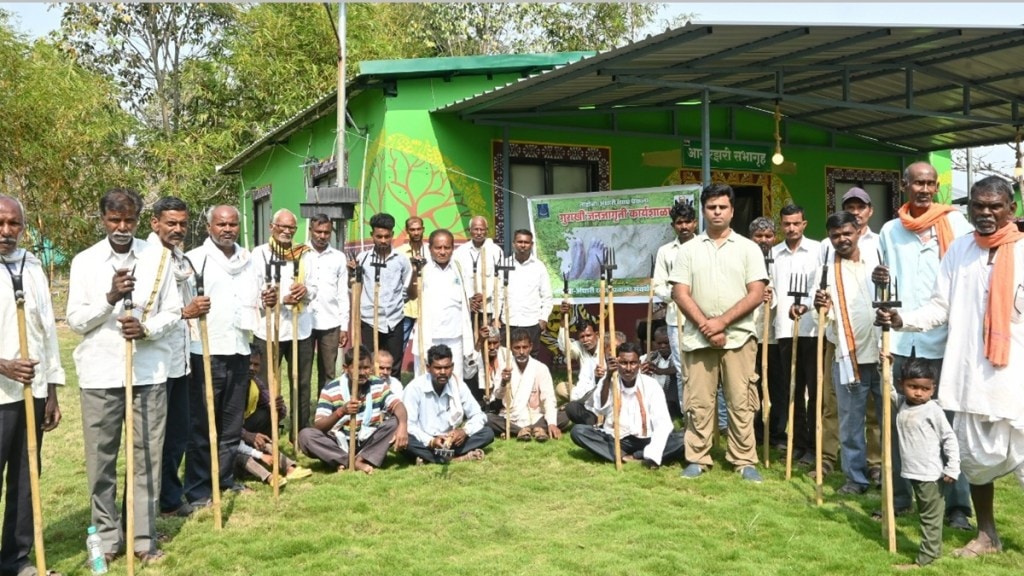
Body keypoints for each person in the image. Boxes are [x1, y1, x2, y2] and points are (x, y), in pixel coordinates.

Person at [878, 176, 1024, 559]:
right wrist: (901, 320)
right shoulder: (958, 250)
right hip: (970, 375)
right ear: (970, 207)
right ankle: (988, 535)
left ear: (1012, 209)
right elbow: (939, 307)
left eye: (995, 206)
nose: (986, 213)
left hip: (1016, 375)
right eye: (979, 206)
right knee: (975, 460)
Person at [67, 188, 182, 564]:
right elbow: (76, 320)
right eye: (114, 220)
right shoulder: (84, 262)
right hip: (99, 375)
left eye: (128, 220)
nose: (121, 227)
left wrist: (146, 329)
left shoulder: (158, 259)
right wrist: (110, 298)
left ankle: (143, 539)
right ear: (102, 219)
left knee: (146, 458)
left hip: (147, 373)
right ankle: (106, 538)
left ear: (138, 219)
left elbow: (173, 312)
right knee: (101, 462)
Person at [875, 161, 975, 529]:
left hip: (943, 342)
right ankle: (899, 497)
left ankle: (957, 507)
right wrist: (877, 279)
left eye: (931, 183)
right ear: (904, 186)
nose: (925, 189)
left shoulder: (957, 226)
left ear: (937, 188)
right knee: (898, 422)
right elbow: (881, 285)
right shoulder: (889, 230)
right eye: (918, 182)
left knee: (948, 427)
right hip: (901, 340)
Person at [671, 183, 767, 482]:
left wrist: (721, 323)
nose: (717, 212)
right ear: (704, 211)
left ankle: (743, 459)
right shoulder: (688, 250)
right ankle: (698, 456)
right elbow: (680, 292)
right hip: (699, 339)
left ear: (732, 210)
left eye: (722, 207)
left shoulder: (749, 248)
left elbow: (756, 293)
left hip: (739, 338)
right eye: (711, 207)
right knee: (698, 401)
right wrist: (707, 326)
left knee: (741, 400)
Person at [0, 195, 64, 576]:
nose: (6, 232)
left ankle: (16, 560)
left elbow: (48, 332)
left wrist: (52, 390)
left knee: (26, 479)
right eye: (0, 223)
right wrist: (3, 365)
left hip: (32, 394)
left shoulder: (33, 268)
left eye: (14, 225)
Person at [183, 205, 259, 507]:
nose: (227, 230)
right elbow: (183, 303)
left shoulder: (247, 259)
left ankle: (224, 478)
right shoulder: (194, 260)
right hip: (206, 350)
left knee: (230, 422)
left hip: (239, 347)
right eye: (221, 224)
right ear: (209, 227)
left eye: (232, 225)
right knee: (203, 423)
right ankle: (199, 487)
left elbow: (253, 297)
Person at [811, 211, 882, 495]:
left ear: (858, 232)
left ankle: (882, 469)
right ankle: (855, 478)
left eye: (846, 233)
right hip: (847, 357)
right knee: (850, 422)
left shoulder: (876, 264)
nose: (842, 239)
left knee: (882, 418)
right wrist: (821, 306)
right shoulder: (825, 272)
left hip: (881, 354)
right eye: (835, 235)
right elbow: (821, 322)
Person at [146, 197, 204, 519]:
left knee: (178, 434)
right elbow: (146, 316)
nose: (178, 229)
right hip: (153, 364)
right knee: (152, 438)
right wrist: (185, 312)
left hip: (181, 359)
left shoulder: (181, 259)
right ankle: (144, 505)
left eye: (182, 223)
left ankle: (169, 496)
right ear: (155, 223)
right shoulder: (147, 259)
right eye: (171, 223)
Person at [252, 209, 318, 432]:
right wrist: (279, 298)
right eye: (282, 226)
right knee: (266, 382)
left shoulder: (305, 254)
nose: (287, 231)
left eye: (291, 228)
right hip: (269, 329)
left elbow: (315, 287)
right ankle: (266, 429)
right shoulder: (259, 254)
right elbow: (254, 292)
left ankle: (300, 432)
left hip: (301, 329)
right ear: (272, 227)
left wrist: (305, 290)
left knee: (302, 382)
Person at [891, 358, 960, 568]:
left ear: (933, 389)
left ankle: (925, 559)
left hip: (929, 475)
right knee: (927, 513)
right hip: (913, 472)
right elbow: (887, 389)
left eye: (924, 389)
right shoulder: (902, 403)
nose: (918, 393)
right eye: (913, 387)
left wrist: (952, 467)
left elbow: (950, 438)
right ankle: (934, 551)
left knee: (930, 517)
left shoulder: (933, 410)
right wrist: (884, 367)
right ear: (903, 384)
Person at [570, 342, 684, 468]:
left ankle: (638, 455)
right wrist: (608, 376)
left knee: (684, 439)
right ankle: (623, 455)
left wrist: (654, 450)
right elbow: (600, 408)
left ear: (639, 364)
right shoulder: (610, 380)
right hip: (617, 438)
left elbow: (662, 423)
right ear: (617, 363)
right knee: (578, 431)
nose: (628, 368)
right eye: (623, 363)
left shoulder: (651, 385)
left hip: (646, 438)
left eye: (633, 363)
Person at [298, 346, 408, 475]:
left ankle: (357, 458)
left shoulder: (378, 384)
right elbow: (319, 426)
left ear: (371, 368)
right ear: (346, 368)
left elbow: (397, 405)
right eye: (356, 368)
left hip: (367, 441)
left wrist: (403, 426)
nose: (361, 373)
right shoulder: (330, 389)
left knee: (396, 421)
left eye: (366, 368)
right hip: (338, 442)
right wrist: (341, 412)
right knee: (305, 435)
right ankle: (352, 462)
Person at [771, 204, 822, 464]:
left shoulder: (817, 249)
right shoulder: (774, 253)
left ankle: (815, 446)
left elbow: (820, 285)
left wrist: (807, 304)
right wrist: (769, 299)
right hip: (784, 329)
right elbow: (772, 291)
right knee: (792, 388)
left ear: (804, 224)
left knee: (814, 390)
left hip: (812, 328)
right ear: (781, 224)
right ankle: (798, 443)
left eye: (796, 223)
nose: (791, 228)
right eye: (786, 223)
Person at [402, 344, 494, 464]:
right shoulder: (415, 388)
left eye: (447, 367)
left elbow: (478, 415)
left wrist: (464, 432)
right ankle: (456, 458)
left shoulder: (458, 384)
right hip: (425, 440)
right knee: (405, 440)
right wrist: (431, 441)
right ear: (428, 368)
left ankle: (430, 458)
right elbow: (409, 426)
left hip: (450, 441)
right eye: (438, 368)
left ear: (452, 366)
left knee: (487, 433)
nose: (443, 372)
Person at [235, 350, 311, 486]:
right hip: (228, 438)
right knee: (238, 451)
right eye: (249, 363)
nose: (252, 368)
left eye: (256, 364)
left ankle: (289, 468)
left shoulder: (256, 383)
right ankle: (269, 477)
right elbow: (223, 424)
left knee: (266, 414)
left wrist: (278, 407)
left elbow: (278, 412)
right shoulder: (231, 385)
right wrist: (247, 435)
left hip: (243, 430)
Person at [353, 213, 415, 379]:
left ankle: (392, 398)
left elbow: (407, 286)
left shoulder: (401, 260)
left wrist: (397, 302)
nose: (383, 240)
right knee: (370, 363)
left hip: (394, 320)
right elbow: (354, 287)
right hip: (369, 320)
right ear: (372, 235)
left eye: (387, 236)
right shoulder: (363, 259)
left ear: (392, 235)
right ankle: (372, 397)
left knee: (393, 364)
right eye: (379, 236)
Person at [652, 200, 698, 415]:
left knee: (705, 368)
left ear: (695, 223)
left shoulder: (705, 247)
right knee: (681, 370)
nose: (684, 226)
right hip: (676, 318)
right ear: (673, 226)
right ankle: (687, 414)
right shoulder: (665, 252)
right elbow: (658, 285)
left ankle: (718, 420)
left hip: (702, 318)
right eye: (679, 222)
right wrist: (676, 295)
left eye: (688, 221)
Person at [410, 229, 474, 381]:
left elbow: (468, 299)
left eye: (447, 247)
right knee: (426, 378)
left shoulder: (459, 268)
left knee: (455, 379)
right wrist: (414, 272)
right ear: (430, 248)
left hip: (455, 336)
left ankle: (454, 406)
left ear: (453, 248)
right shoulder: (423, 269)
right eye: (438, 248)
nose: (443, 252)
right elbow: (412, 295)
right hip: (429, 336)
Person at [487, 328, 566, 441]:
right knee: (488, 419)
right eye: (517, 348)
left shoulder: (540, 368)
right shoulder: (505, 367)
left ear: (531, 347)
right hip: (511, 417)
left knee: (566, 414)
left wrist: (552, 423)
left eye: (525, 347)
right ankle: (532, 430)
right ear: (511, 348)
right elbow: (498, 396)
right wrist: (503, 382)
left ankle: (521, 430)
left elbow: (548, 398)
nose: (522, 352)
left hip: (536, 416)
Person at [749, 217, 782, 449]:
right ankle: (754, 431)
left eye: (768, 236)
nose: (763, 241)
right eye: (758, 237)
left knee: (776, 386)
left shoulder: (780, 259)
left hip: (775, 335)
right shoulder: (745, 258)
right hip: (750, 334)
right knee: (753, 386)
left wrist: (773, 297)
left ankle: (777, 432)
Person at [307, 213, 349, 393]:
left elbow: (342, 294)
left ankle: (324, 414)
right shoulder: (299, 253)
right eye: (318, 231)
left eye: (326, 232)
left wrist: (344, 326)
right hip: (304, 322)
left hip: (330, 322)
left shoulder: (338, 257)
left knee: (329, 373)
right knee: (302, 372)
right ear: (310, 230)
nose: (322, 236)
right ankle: (301, 418)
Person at [500, 229, 553, 356]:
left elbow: (547, 296)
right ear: (513, 243)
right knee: (507, 357)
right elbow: (498, 294)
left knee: (531, 360)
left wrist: (543, 319)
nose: (523, 245)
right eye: (519, 242)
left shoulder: (539, 267)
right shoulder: (504, 265)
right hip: (509, 322)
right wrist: (497, 318)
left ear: (531, 244)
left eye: (526, 242)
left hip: (532, 323)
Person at [453, 215, 504, 333]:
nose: (479, 232)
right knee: (470, 343)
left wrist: (485, 294)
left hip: (490, 308)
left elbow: (500, 281)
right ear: (470, 230)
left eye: (482, 229)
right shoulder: (461, 252)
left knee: (489, 342)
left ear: (487, 230)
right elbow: (457, 280)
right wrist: (469, 299)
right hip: (468, 308)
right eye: (476, 229)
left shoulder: (496, 251)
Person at [564, 329, 624, 426]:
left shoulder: (627, 366)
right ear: (604, 348)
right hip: (595, 412)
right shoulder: (591, 364)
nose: (616, 354)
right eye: (612, 350)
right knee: (572, 408)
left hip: (621, 411)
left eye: (620, 350)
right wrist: (596, 381)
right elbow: (576, 396)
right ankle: (595, 426)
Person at [398, 216, 427, 356]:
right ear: (407, 231)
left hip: (426, 306)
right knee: (399, 347)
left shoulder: (430, 251)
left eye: (418, 229)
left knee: (427, 346)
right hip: (406, 308)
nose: (416, 233)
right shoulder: (400, 253)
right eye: (412, 230)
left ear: (423, 229)